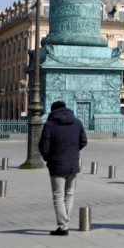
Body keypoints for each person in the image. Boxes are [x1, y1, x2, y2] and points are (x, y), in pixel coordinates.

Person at [39, 100, 87, 236]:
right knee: (69, 194)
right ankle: (64, 224)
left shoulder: (50, 124)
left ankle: (63, 226)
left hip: (57, 164)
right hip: (72, 163)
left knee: (58, 195)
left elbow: (43, 146)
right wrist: (73, 152)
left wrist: (49, 157)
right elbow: (84, 141)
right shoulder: (77, 122)